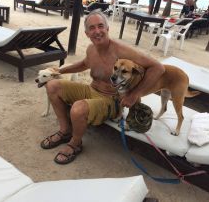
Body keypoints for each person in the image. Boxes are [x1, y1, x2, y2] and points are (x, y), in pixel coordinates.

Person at [41, 10, 165, 165]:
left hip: (112, 100)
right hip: (92, 90)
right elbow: (84, 64)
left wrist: (134, 95)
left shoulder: (121, 50)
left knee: (78, 109)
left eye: (100, 26)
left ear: (107, 29)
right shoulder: (91, 49)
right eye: (92, 28)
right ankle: (65, 131)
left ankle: (75, 143)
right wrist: (60, 71)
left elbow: (158, 67)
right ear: (87, 33)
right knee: (52, 86)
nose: (97, 31)